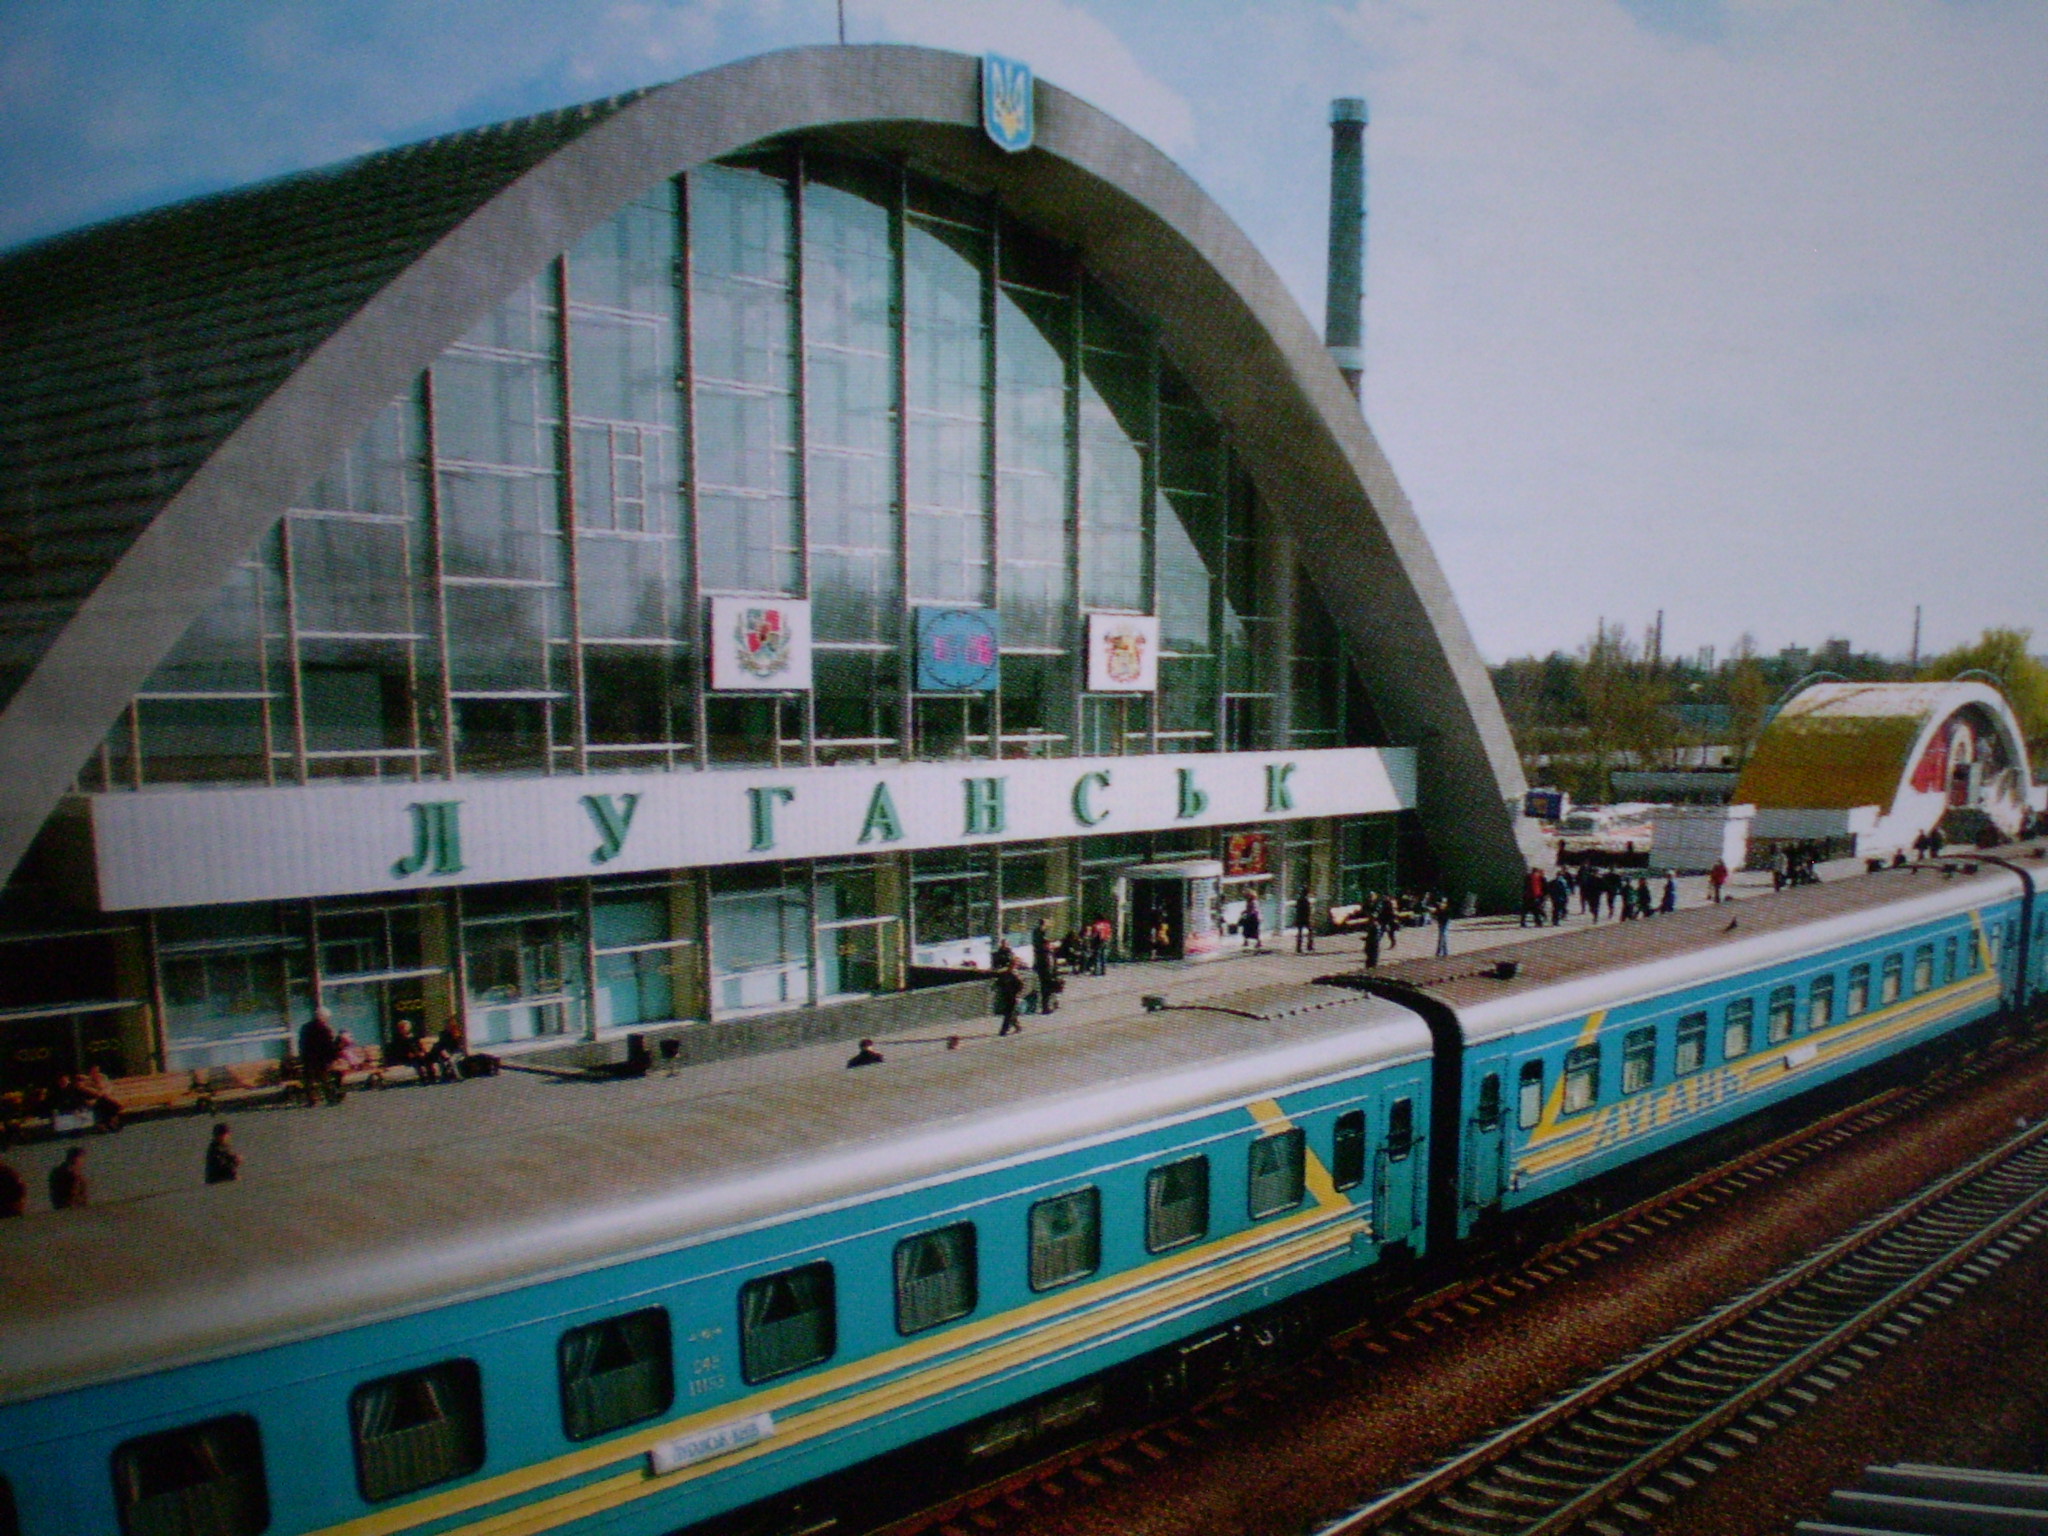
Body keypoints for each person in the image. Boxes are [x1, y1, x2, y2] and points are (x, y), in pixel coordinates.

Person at [298, 1007, 339, 1102]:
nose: (328, 1020)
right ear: (322, 1017)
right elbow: (328, 1045)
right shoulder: (324, 1029)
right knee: (323, 1078)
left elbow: (302, 1043)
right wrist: (332, 1057)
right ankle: (330, 1096)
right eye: (327, 1017)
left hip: (308, 1056)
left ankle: (311, 1098)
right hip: (320, 1057)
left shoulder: (305, 1027)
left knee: (309, 1079)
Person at [1032, 922, 1059, 1014]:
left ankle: (1052, 1003)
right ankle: (1046, 1006)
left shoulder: (1048, 953)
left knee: (1049, 988)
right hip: (1045, 970)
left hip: (1048, 970)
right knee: (1046, 988)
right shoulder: (1043, 953)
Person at [49, 1145, 87, 1210]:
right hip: (68, 1207)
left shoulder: (57, 1171)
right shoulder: (70, 1173)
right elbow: (73, 1193)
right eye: (81, 1158)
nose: (83, 1161)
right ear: (75, 1158)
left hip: (63, 1207)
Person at [994, 961, 1025, 1036]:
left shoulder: (1005, 974)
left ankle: (1008, 1029)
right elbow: (1020, 985)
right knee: (1010, 1012)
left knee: (1009, 1012)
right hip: (1011, 996)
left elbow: (998, 984)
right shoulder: (1015, 974)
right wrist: (1018, 994)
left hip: (1007, 995)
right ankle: (1009, 1028)